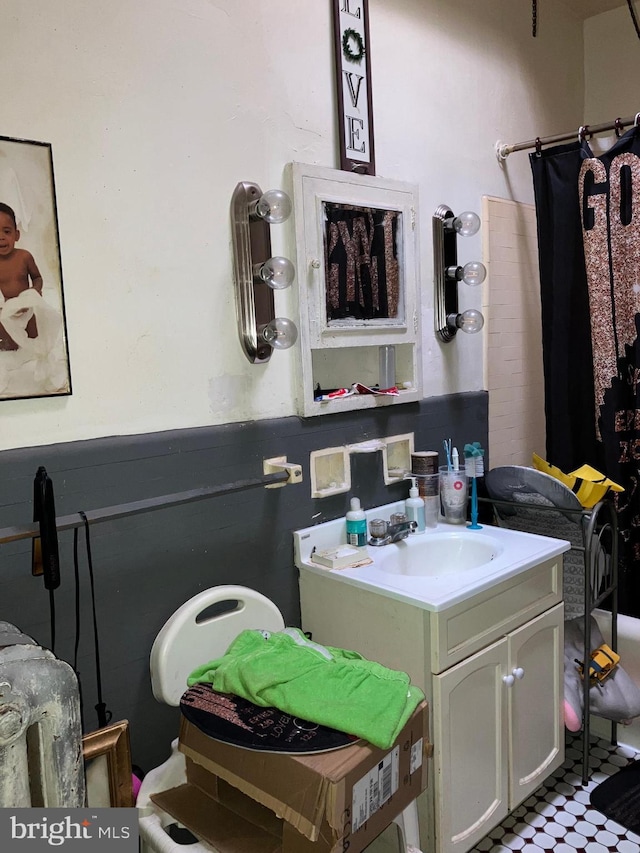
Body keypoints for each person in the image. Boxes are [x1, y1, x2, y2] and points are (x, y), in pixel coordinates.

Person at [0, 202, 42, 348]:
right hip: (4, 312)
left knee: (34, 343)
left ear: (16, 235)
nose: (1, 237)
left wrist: (35, 290)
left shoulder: (24, 257)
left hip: (26, 308)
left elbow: (37, 278)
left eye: (6, 231)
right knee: (7, 345)